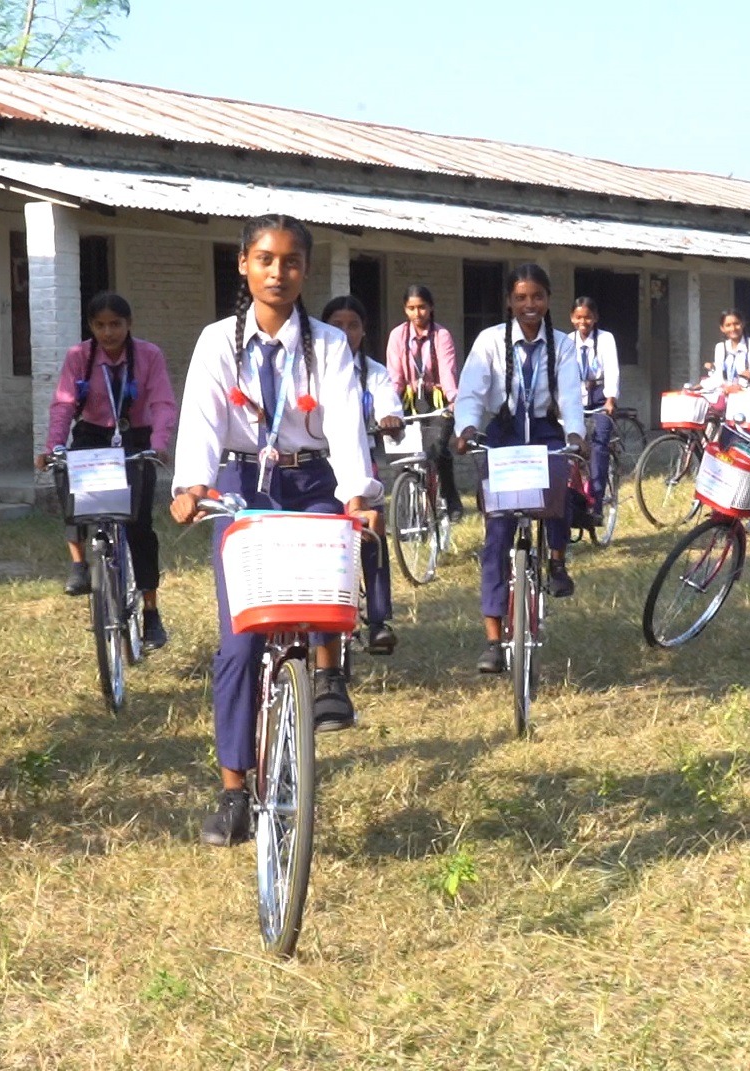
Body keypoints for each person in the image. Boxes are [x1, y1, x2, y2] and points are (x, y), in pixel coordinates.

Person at [169, 214, 381, 847]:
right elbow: (202, 422)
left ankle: (326, 674)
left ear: (305, 272)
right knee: (236, 645)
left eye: (291, 262)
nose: (277, 272)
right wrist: (190, 486)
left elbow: (346, 422)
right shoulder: (216, 342)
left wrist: (356, 494)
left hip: (313, 482)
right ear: (243, 265)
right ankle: (233, 790)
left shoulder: (328, 344)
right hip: (240, 489)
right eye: (265, 259)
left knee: (326, 571)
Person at [453, 264, 585, 674]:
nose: (530, 305)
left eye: (538, 297)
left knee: (559, 488)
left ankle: (557, 561)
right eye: (522, 298)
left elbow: (570, 395)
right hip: (504, 432)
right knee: (497, 533)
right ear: (510, 301)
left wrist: (576, 434)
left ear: (548, 300)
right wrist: (466, 428)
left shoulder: (562, 345)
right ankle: (494, 638)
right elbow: (472, 390)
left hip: (545, 429)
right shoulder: (490, 341)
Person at [40, 292, 178, 650]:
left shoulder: (148, 355)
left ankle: (151, 611)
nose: (108, 332)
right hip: (93, 435)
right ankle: (79, 565)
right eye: (99, 325)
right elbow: (64, 404)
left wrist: (160, 443)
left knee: (139, 525)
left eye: (115, 324)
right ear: (90, 327)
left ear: (128, 325)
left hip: (135, 437)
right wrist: (52, 446)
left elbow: (163, 401)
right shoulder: (79, 357)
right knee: (73, 491)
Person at [323, 294, 402, 655]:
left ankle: (379, 619)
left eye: (352, 325)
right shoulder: (310, 368)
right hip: (318, 466)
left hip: (360, 464)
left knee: (372, 532)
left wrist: (389, 418)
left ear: (363, 330)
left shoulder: (374, 372)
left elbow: (388, 403)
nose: (344, 332)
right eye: (336, 325)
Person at [385, 285, 462, 519]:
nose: (417, 314)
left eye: (422, 308)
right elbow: (395, 376)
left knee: (437, 450)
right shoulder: (398, 336)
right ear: (405, 309)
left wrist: (454, 401)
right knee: (405, 457)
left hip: (436, 399)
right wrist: (389, 405)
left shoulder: (441, 335)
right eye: (411, 308)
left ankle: (450, 500)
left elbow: (448, 373)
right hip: (408, 398)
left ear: (431, 308)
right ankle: (407, 515)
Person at [568, 296, 619, 524]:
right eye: (579, 317)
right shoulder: (567, 342)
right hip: (577, 396)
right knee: (571, 449)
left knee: (599, 447)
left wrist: (610, 399)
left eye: (588, 317)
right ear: (572, 319)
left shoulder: (605, 339)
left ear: (595, 318)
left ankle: (597, 504)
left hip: (600, 395)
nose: (583, 321)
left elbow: (612, 369)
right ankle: (573, 500)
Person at [702, 309, 750, 392]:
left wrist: (740, 387)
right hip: (726, 393)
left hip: (748, 394)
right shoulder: (720, 347)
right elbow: (718, 377)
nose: (733, 328)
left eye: (736, 324)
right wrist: (701, 385)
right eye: (728, 325)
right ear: (722, 328)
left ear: (743, 324)